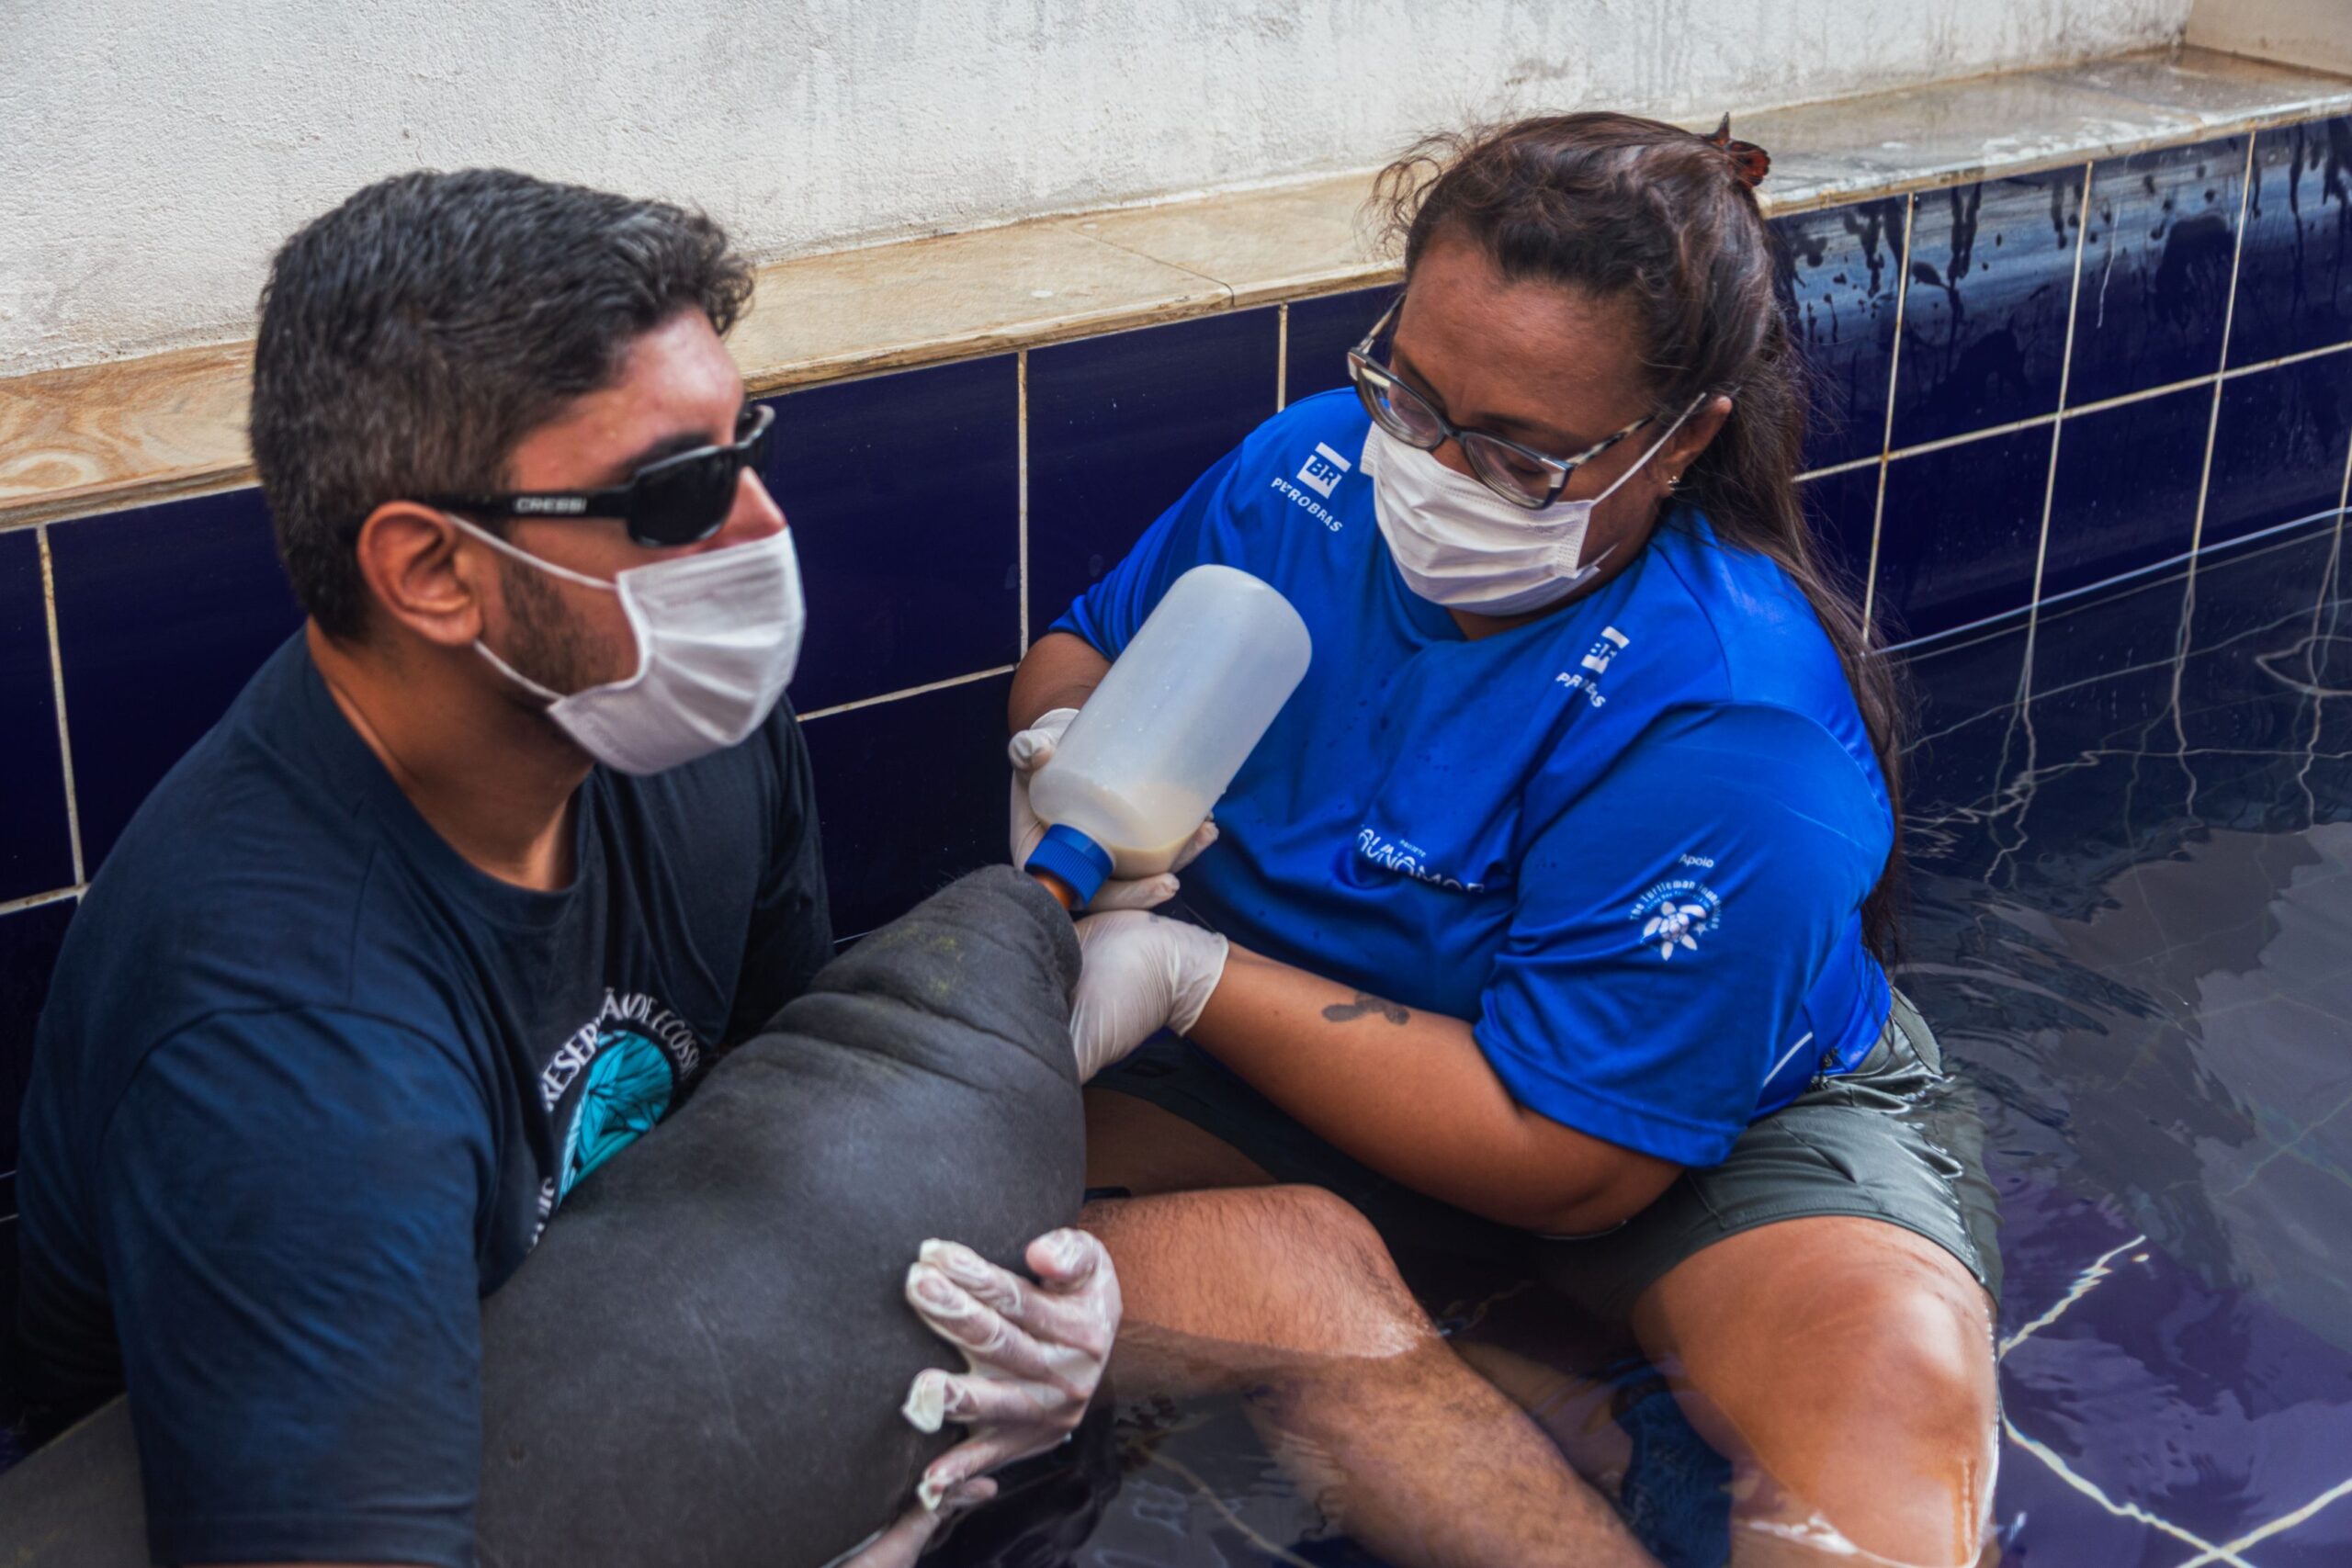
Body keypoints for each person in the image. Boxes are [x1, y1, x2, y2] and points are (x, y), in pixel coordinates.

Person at [9, 169, 1114, 1568]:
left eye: (746, 443)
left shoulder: (686, 732)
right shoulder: (294, 1045)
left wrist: (1042, 1325)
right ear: (432, 572)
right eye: (678, 491)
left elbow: (787, 1107)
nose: (764, 531)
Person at [1018, 113, 2003, 1566]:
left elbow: (1576, 1156)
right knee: (917, 1216)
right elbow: (1083, 648)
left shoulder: (1735, 719)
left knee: (1877, 1466)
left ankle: (1501, 1376)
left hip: (1687, 1123)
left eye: (1524, 457)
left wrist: (1189, 975)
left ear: (1682, 443)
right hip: (1266, 1081)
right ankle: (1503, 1382)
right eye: (1409, 397)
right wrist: (1068, 756)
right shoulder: (1305, 474)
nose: (1430, 472)